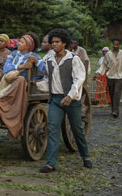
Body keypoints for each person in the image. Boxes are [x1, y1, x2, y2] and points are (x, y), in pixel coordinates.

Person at [0, 32, 46, 140]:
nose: (19, 43)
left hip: (19, 82)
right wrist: (22, 66)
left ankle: (1, 101)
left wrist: (36, 62)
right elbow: (6, 69)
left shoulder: (34, 56)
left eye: (22, 42)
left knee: (21, 79)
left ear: (29, 45)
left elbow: (44, 70)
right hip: (6, 78)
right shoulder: (13, 54)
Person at [39, 28, 92, 173]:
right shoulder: (48, 59)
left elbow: (79, 79)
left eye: (57, 42)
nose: (54, 44)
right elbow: (46, 78)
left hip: (72, 100)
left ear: (64, 43)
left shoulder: (73, 59)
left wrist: (70, 96)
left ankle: (85, 156)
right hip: (55, 100)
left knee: (77, 129)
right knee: (53, 129)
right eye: (52, 42)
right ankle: (51, 163)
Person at [95, 38, 122, 118]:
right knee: (112, 93)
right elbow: (103, 65)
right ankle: (113, 109)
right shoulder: (108, 54)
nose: (116, 46)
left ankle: (115, 111)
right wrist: (98, 73)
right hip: (110, 76)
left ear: (119, 45)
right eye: (114, 44)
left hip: (120, 76)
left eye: (117, 44)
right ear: (112, 44)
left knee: (117, 93)